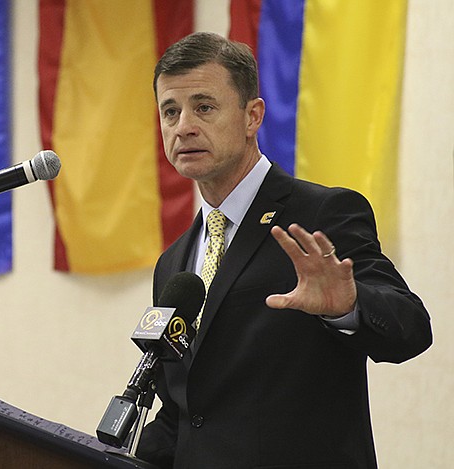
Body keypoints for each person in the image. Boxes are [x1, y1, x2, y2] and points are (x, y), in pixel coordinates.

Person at [136, 32, 432, 469]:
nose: (184, 126)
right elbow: (186, 412)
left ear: (252, 115)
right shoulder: (173, 264)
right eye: (170, 111)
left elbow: (411, 328)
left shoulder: (320, 213)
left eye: (204, 107)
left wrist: (347, 306)